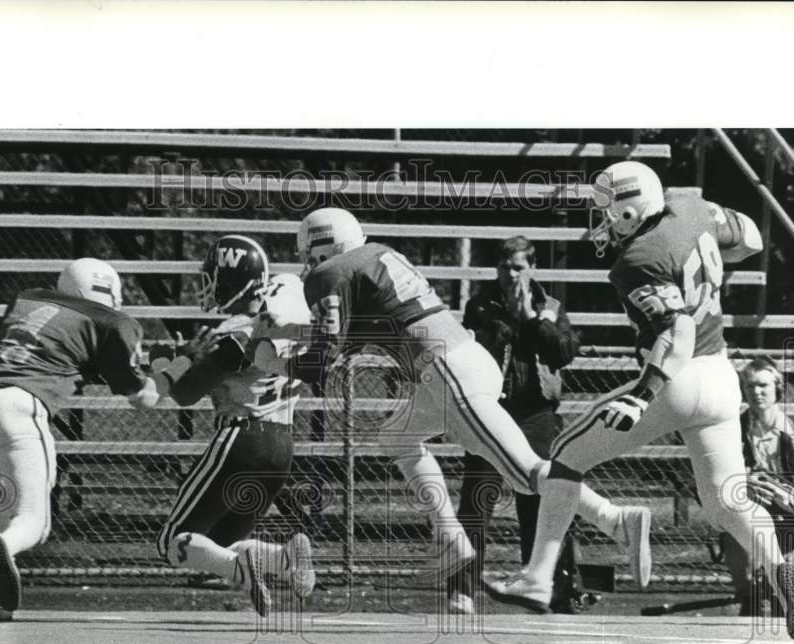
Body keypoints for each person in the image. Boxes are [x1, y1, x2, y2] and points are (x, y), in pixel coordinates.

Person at [487, 161, 794, 640]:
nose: (599, 221)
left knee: (563, 459)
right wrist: (704, 267)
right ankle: (781, 570)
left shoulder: (637, 259)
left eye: (604, 211)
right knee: (726, 500)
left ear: (628, 209)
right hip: (722, 378)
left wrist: (644, 395)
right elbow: (750, 240)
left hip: (676, 380)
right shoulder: (690, 206)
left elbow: (677, 331)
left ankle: (537, 578)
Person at [257, 207, 651, 604]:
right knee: (396, 436)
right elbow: (357, 334)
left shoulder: (332, 272)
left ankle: (616, 519)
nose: (308, 262)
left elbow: (322, 362)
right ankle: (451, 537)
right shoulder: (376, 255)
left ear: (321, 244)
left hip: (446, 372)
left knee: (525, 473)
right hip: (454, 364)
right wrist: (291, 330)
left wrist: (273, 360)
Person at [0, 258, 164, 620]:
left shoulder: (28, 299)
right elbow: (142, 397)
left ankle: (0, 603)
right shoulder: (114, 322)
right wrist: (170, 371)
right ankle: (5, 543)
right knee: (34, 523)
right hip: (20, 408)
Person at [449, 236, 632, 615]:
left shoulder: (550, 306)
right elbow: (468, 351)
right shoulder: (480, 305)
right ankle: (463, 589)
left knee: (544, 501)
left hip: (535, 414)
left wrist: (531, 319)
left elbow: (563, 352)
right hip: (491, 410)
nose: (511, 275)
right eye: (504, 267)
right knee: (477, 499)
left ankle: (554, 588)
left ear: (531, 268)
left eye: (518, 267)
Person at [149, 235, 316, 618]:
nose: (207, 285)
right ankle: (283, 560)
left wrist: (166, 362)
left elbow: (186, 393)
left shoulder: (235, 329)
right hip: (282, 446)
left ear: (230, 279)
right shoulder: (285, 308)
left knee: (170, 542)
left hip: (242, 439)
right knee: (214, 545)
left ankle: (242, 572)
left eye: (214, 277)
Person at [721, 356, 794, 614]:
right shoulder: (732, 431)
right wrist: (742, 482)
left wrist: (789, 498)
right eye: (749, 386)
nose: (756, 392)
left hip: (790, 530)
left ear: (778, 387)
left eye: (763, 385)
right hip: (747, 525)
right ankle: (752, 595)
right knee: (751, 592)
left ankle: (776, 589)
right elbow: (712, 483)